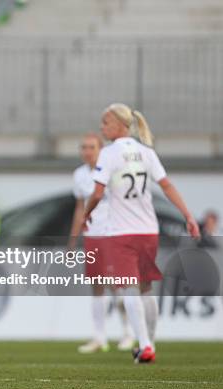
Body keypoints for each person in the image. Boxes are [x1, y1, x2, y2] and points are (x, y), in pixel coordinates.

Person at [83, 103, 200, 363]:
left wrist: (86, 213)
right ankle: (150, 344)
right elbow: (167, 186)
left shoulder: (109, 153)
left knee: (128, 289)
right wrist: (188, 215)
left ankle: (145, 345)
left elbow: (98, 193)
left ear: (122, 125)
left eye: (106, 122)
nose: (103, 127)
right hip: (148, 230)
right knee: (145, 289)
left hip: (121, 233)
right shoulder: (146, 152)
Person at [69, 133, 134, 353]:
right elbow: (80, 208)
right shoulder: (79, 175)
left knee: (116, 284)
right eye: (83, 147)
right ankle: (100, 337)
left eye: (91, 147)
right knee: (97, 285)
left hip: (112, 234)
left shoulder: (111, 171)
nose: (87, 151)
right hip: (92, 235)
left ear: (100, 149)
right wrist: (73, 238)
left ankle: (128, 332)